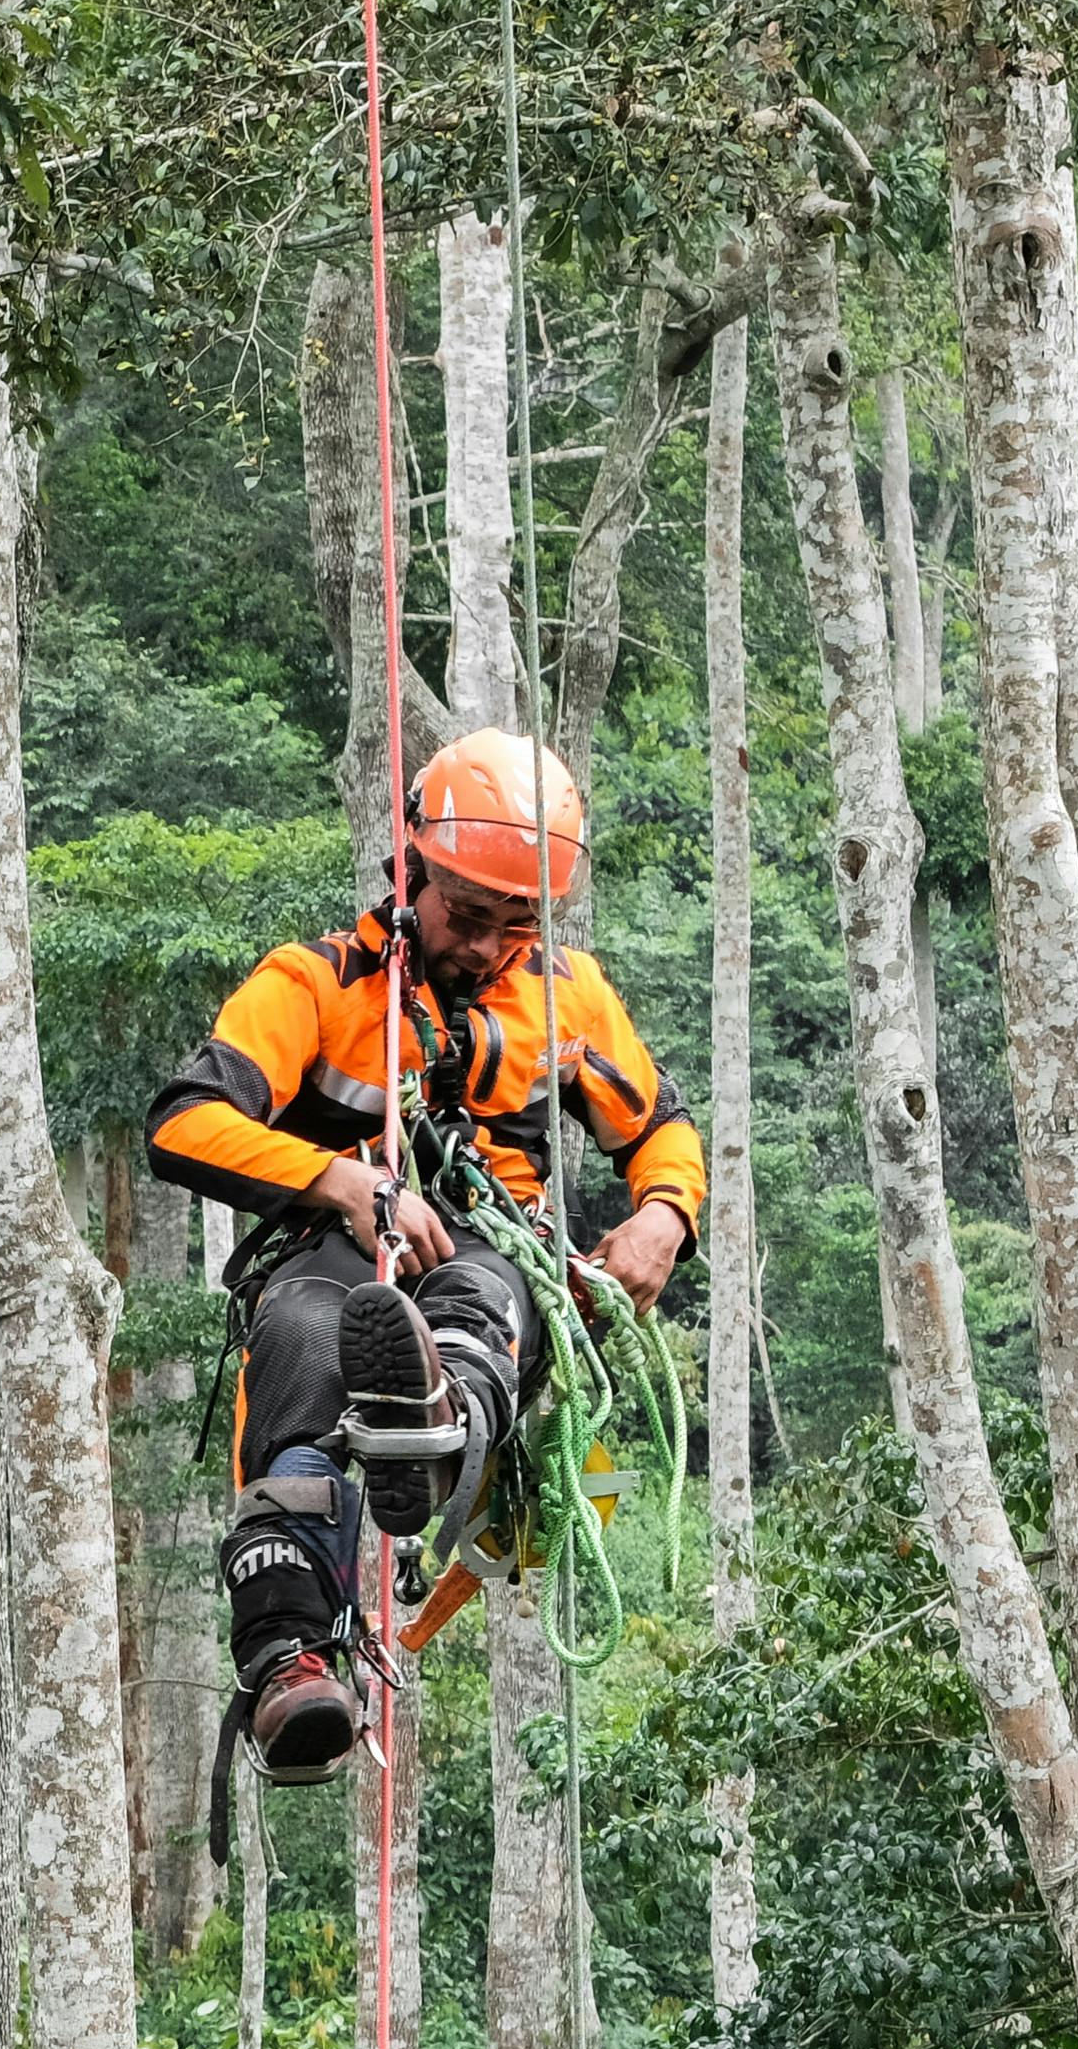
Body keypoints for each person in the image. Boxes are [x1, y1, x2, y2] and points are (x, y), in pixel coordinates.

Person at [144, 731, 703, 1783]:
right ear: (413, 869)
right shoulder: (317, 983)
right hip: (335, 1244)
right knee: (302, 1336)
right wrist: (339, 1182)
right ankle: (291, 1661)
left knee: (480, 1300)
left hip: (495, 1243)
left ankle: (433, 1433)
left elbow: (657, 1127)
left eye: (515, 923)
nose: (485, 945)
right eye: (465, 913)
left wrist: (664, 1216)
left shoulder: (565, 997)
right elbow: (184, 1121)